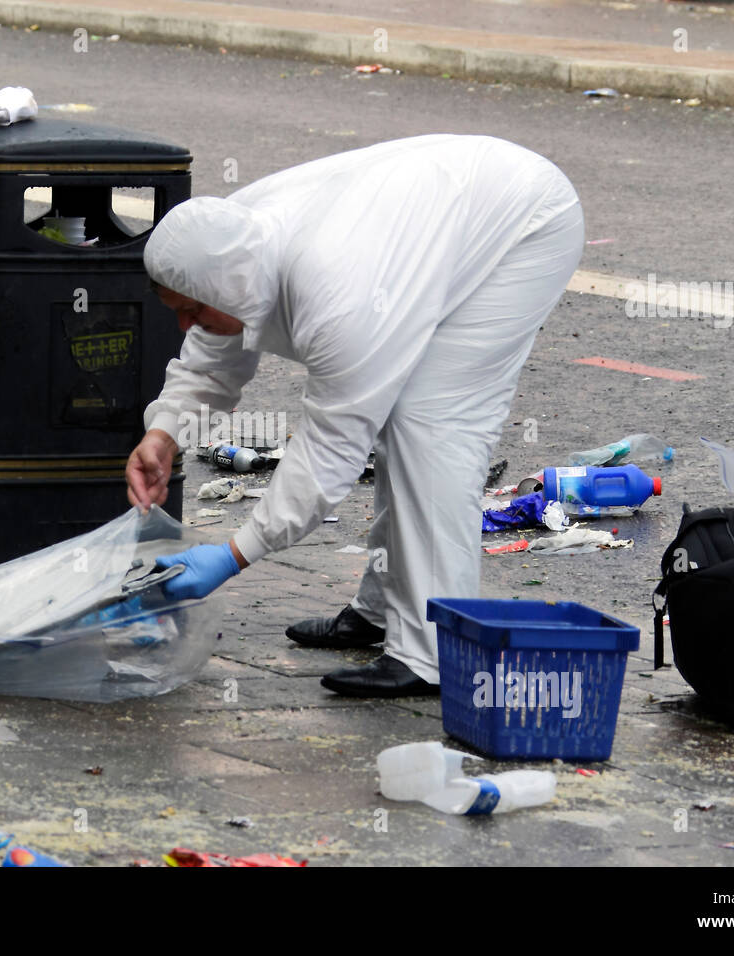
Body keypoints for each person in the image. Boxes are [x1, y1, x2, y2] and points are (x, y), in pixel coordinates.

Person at [124, 134, 584, 698]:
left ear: (228, 287)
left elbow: (329, 451)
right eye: (178, 310)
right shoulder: (226, 247)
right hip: (434, 216)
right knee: (403, 418)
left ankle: (434, 653)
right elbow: (211, 359)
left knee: (430, 425)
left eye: (191, 310)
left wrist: (234, 552)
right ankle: (384, 609)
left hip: (522, 224)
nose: (184, 323)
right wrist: (165, 433)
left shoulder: (337, 293)